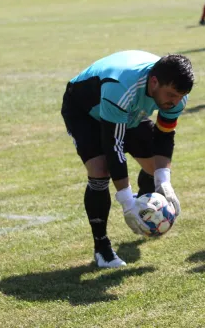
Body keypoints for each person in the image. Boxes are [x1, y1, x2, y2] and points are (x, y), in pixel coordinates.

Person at [61, 51, 193, 268]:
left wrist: (164, 181)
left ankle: (145, 206)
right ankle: (102, 247)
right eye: (170, 95)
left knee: (153, 166)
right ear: (154, 82)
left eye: (179, 96)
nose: (175, 101)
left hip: (128, 112)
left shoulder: (176, 94)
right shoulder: (121, 87)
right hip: (85, 112)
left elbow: (165, 136)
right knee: (100, 172)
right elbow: (114, 146)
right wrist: (126, 202)